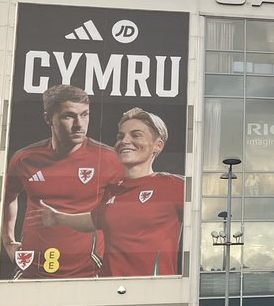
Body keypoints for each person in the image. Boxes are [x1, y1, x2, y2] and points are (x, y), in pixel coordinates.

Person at [40, 108, 185, 276]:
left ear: (157, 145)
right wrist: (57, 217)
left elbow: (203, 218)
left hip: (151, 293)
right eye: (120, 136)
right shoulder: (112, 190)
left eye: (136, 135)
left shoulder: (174, 186)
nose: (125, 141)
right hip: (108, 290)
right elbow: (94, 220)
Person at [2, 84, 124, 278]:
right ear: (48, 118)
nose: (79, 124)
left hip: (89, 270)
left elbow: (127, 212)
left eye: (85, 115)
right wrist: (8, 241)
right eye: (69, 116)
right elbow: (8, 197)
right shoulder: (24, 158)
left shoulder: (109, 158)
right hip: (33, 266)